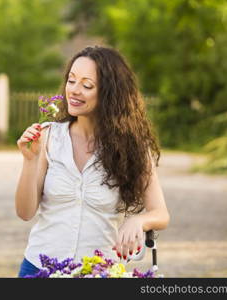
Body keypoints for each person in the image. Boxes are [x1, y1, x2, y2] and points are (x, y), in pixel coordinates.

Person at [15, 45, 170, 278]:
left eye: (87, 85)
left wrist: (139, 220)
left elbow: (161, 213)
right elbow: (25, 212)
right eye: (71, 81)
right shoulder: (48, 137)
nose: (74, 91)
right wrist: (30, 161)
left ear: (109, 93)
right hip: (39, 270)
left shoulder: (132, 148)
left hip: (99, 272)